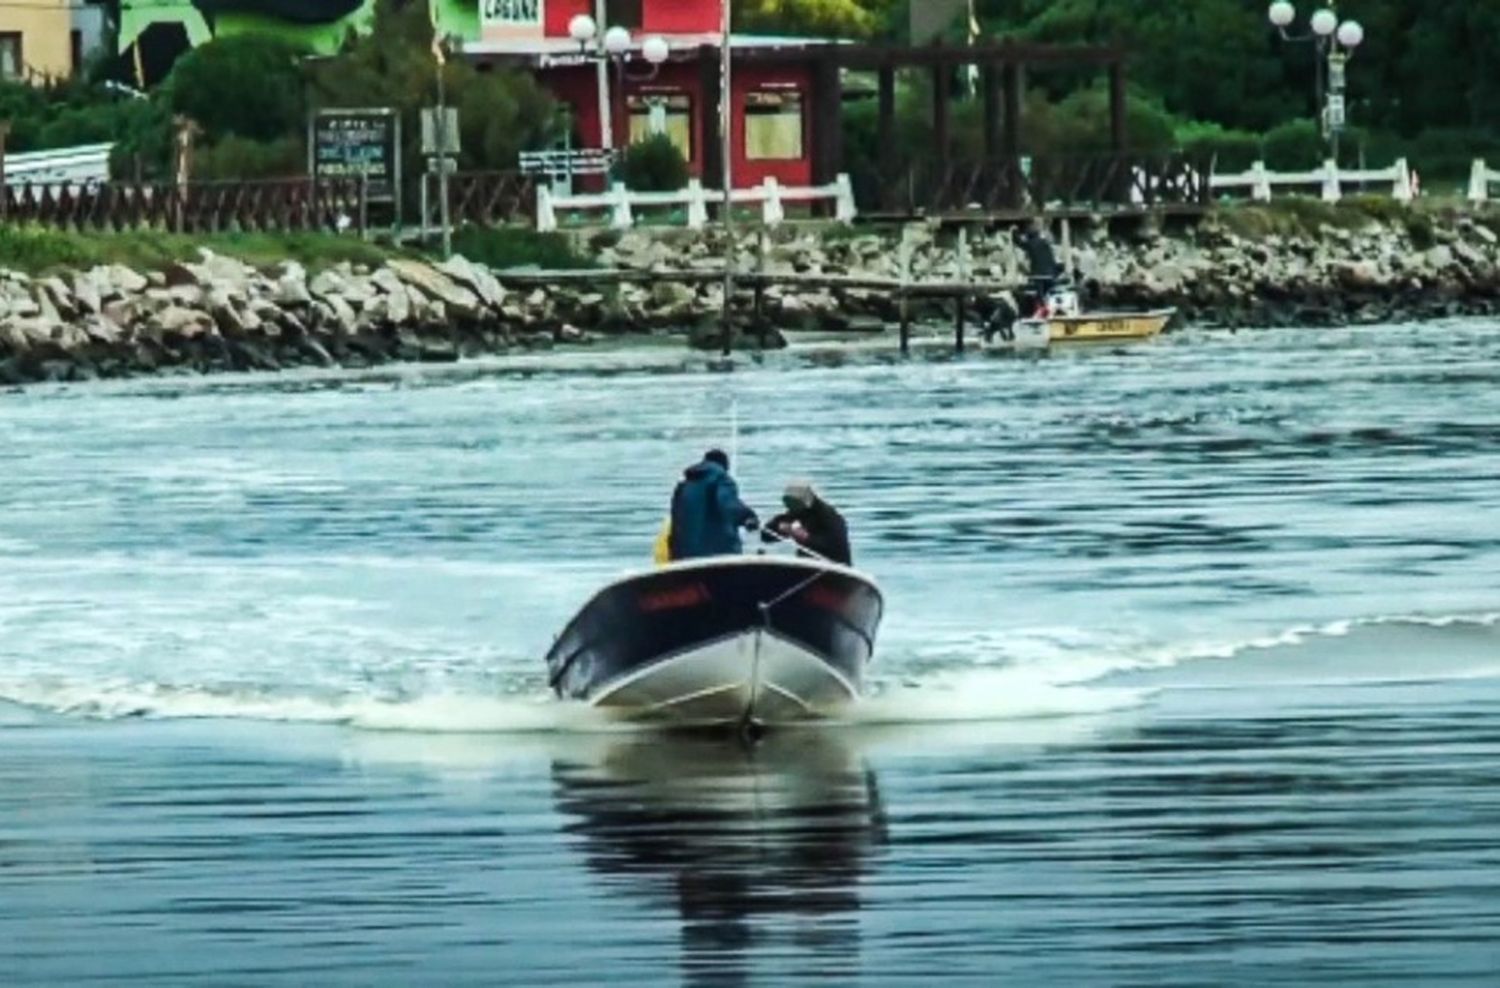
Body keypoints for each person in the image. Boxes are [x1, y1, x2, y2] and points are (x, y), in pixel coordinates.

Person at [668, 449, 760, 561]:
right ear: (725, 466)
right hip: (718, 554)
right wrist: (748, 517)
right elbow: (728, 504)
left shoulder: (683, 486)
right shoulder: (721, 478)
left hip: (683, 558)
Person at [762, 481, 852, 566]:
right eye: (788, 504)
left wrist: (806, 538)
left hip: (835, 564)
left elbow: (836, 545)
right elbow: (765, 536)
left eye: (794, 504)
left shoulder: (830, 517)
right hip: (807, 564)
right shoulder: (795, 514)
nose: (790, 508)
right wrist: (779, 527)